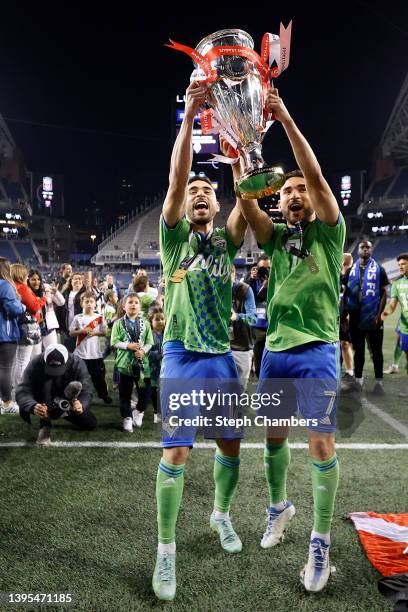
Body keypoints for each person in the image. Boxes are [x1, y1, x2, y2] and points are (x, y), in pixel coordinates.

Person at [238, 87, 345, 593]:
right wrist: (243, 155)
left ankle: (319, 541)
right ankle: (278, 508)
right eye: (288, 191)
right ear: (278, 202)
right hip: (277, 349)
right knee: (274, 437)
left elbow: (319, 179)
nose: (297, 195)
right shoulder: (275, 236)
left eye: (301, 189)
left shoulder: (329, 232)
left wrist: (281, 116)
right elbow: (248, 207)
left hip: (319, 347)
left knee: (320, 442)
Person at [151, 80, 249, 602]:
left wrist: (237, 156)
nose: (199, 196)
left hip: (221, 358)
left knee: (231, 447)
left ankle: (221, 516)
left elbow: (245, 202)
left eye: (207, 192)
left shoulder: (226, 242)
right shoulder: (173, 239)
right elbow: (173, 184)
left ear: (216, 203)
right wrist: (189, 119)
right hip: (182, 354)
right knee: (177, 453)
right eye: (195, 193)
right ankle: (165, 552)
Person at [16, 343, 96, 445]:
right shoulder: (35, 363)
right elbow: (22, 390)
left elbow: (86, 389)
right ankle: (45, 425)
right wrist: (33, 406)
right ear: (44, 360)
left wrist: (81, 405)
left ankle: (66, 401)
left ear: (66, 361)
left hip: (65, 400)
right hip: (42, 399)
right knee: (46, 382)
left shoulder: (77, 363)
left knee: (90, 424)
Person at [344, 240, 389, 394]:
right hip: (356, 316)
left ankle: (379, 384)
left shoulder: (379, 270)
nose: (365, 250)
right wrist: (344, 315)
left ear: (371, 250)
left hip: (373, 316)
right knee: (359, 351)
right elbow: (345, 294)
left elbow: (384, 292)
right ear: (358, 250)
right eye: (362, 247)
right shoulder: (350, 270)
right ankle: (358, 382)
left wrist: (379, 314)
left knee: (376, 351)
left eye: (367, 247)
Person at [111, 293, 153, 431]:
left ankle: (139, 411)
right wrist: (128, 346)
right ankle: (127, 417)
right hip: (125, 366)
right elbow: (114, 341)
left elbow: (149, 342)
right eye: (130, 302)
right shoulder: (118, 323)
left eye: (136, 302)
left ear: (140, 306)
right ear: (124, 306)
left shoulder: (146, 323)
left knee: (145, 393)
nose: (133, 304)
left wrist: (143, 351)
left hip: (142, 367)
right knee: (125, 393)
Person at [69, 291, 112, 404]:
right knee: (77, 377)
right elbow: (71, 332)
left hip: (95, 354)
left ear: (95, 304)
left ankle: (103, 395)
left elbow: (104, 332)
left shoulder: (99, 317)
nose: (89, 304)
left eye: (91, 301)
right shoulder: (78, 317)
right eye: (86, 301)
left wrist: (95, 333)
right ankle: (76, 396)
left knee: (99, 377)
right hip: (80, 353)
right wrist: (82, 331)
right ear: (82, 303)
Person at [11, 263, 46, 382]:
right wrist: (44, 298)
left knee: (17, 361)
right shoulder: (22, 287)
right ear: (20, 274)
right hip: (25, 328)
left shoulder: (13, 286)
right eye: (25, 273)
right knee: (22, 361)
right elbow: (34, 307)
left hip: (17, 326)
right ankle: (18, 392)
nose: (26, 275)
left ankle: (12, 391)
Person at [0, 257, 25, 414]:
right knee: (5, 369)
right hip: (5, 333)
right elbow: (13, 309)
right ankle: (8, 402)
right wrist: (21, 305)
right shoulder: (5, 285)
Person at [381, 253, 408, 397]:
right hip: (405, 324)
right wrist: (384, 313)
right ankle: (396, 366)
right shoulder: (398, 284)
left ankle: (395, 366)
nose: (400, 267)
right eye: (399, 265)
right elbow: (392, 304)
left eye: (403, 264)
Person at [230, 265, 257, 389]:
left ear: (233, 274)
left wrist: (237, 317)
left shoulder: (245, 290)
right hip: (220, 349)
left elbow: (253, 318)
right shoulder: (213, 290)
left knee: (239, 391)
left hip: (242, 348)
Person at [244, 257, 270, 376]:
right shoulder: (252, 281)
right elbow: (245, 298)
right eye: (262, 268)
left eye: (268, 268)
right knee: (258, 357)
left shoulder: (277, 280)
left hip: (272, 327)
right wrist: (250, 279)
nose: (265, 271)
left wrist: (268, 286)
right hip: (256, 327)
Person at [27, 269, 65, 349]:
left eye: (38, 279)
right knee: (35, 356)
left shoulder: (46, 287)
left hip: (48, 326)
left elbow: (61, 302)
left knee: (52, 352)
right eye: (33, 279)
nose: (36, 282)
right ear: (28, 280)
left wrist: (56, 292)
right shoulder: (27, 291)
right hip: (33, 328)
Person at [148, 306, 165, 423]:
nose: (160, 322)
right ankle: (157, 412)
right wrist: (159, 355)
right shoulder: (148, 335)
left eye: (162, 319)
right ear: (151, 321)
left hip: (167, 369)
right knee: (155, 391)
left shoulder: (168, 334)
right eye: (157, 319)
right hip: (153, 369)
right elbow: (146, 353)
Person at [60, 272, 86, 352]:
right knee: (68, 352)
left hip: (80, 329)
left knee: (81, 353)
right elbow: (60, 310)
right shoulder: (65, 293)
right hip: (67, 328)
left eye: (80, 279)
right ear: (71, 281)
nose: (78, 280)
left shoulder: (85, 294)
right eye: (75, 278)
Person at [339, 253, 354, 383]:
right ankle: (336, 369)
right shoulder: (334, 275)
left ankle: (350, 371)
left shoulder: (351, 277)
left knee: (345, 343)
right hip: (332, 315)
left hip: (345, 315)